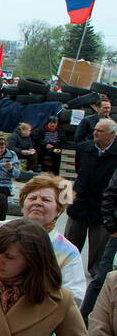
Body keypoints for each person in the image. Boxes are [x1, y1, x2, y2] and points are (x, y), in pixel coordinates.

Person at [0, 174, 87, 311]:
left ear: (58, 210)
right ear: (23, 204)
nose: (37, 202)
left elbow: (74, 297)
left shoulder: (68, 252)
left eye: (46, 200)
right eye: (32, 198)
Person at [64, 117, 117, 273]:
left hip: (104, 206)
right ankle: (66, 267)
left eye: (100, 131)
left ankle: (96, 270)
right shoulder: (83, 149)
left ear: (112, 134)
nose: (95, 133)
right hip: (80, 202)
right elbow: (78, 169)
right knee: (71, 242)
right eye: (95, 130)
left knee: (99, 244)